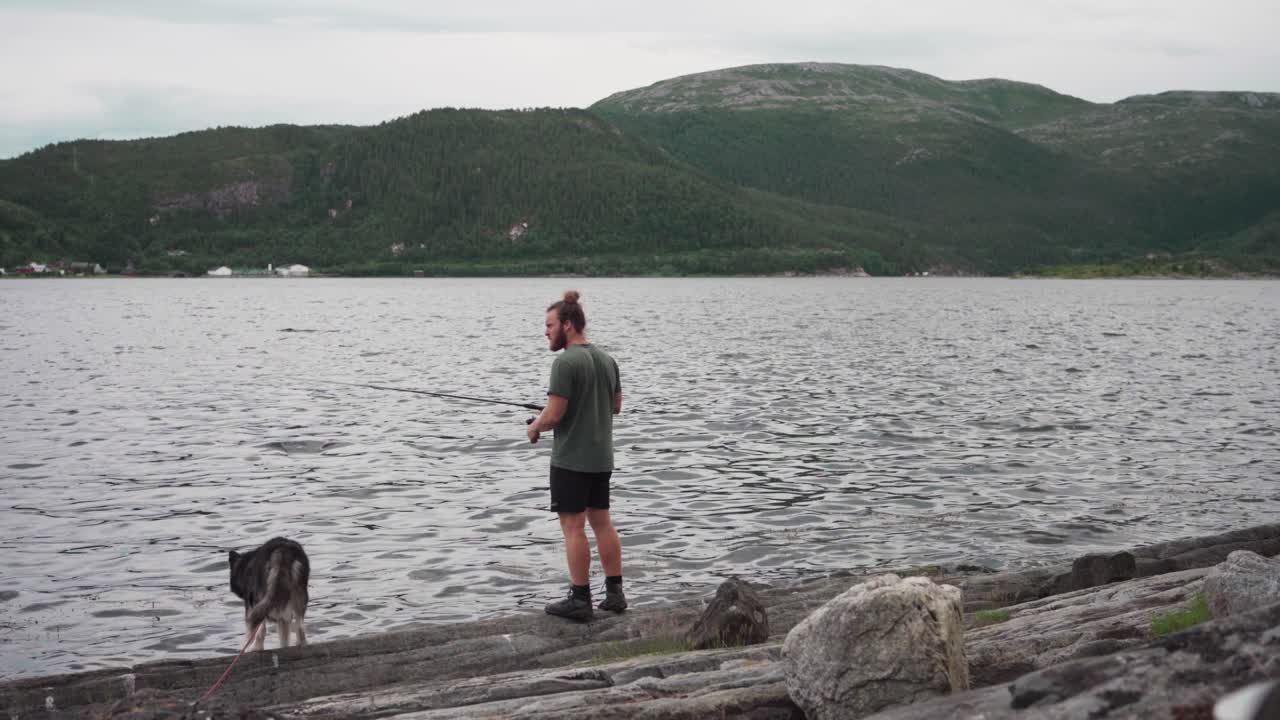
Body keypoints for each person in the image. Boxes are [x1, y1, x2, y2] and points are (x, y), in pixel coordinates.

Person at [526, 290, 625, 620]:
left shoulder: (565, 362)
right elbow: (616, 407)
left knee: (572, 527)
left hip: (571, 460)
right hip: (601, 459)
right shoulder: (607, 360)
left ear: (567, 325)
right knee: (602, 522)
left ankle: (580, 599)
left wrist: (535, 426)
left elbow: (554, 416)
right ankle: (614, 594)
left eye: (550, 325)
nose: (546, 331)